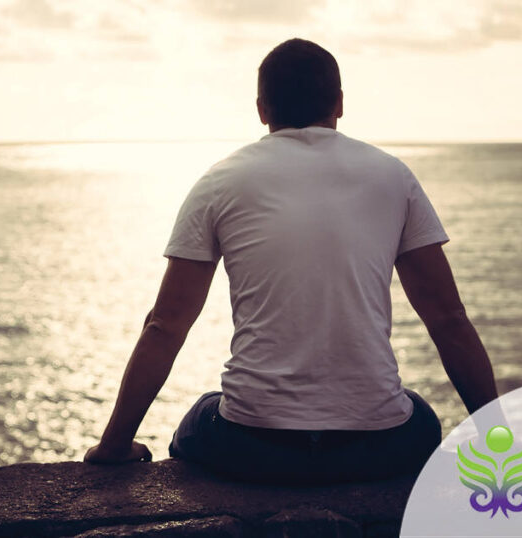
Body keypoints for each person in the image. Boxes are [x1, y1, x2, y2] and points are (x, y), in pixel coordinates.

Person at [84, 38, 499, 483]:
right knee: (419, 415)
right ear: (339, 103)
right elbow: (448, 319)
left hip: (251, 446)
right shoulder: (393, 175)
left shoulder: (219, 181)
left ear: (262, 109)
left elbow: (165, 324)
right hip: (376, 447)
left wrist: (113, 447)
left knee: (202, 413)